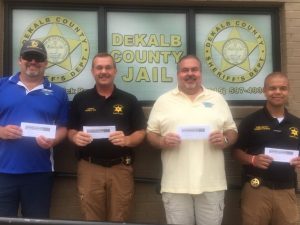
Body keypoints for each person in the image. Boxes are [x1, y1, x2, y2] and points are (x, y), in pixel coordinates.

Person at [147, 54, 238, 225]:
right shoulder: (163, 101)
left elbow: (232, 130)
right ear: (178, 74)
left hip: (212, 183)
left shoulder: (217, 99)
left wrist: (225, 140)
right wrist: (162, 142)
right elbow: (151, 133)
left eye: (194, 70)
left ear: (200, 73)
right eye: (185, 70)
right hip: (176, 185)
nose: (190, 73)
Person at [68, 52, 146, 222]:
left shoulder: (129, 100)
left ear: (115, 71)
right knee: (91, 217)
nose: (103, 71)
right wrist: (75, 137)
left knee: (120, 217)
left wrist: (127, 140)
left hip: (120, 168)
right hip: (89, 167)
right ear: (92, 72)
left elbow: (141, 132)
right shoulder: (80, 99)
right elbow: (70, 129)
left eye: (108, 67)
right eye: (99, 68)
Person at [0, 39, 69, 218]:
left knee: (37, 221)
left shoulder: (58, 93)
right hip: (3, 172)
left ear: (45, 63)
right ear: (20, 60)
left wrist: (54, 139)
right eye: (28, 57)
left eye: (38, 58)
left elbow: (63, 127)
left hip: (39, 172)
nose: (33, 62)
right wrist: (1, 131)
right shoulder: (1, 86)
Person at [233, 72, 300, 225]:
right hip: (256, 189)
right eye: (272, 88)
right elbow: (235, 152)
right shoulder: (251, 121)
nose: (277, 92)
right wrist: (252, 159)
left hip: (286, 190)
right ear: (264, 91)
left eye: (282, 88)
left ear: (288, 91)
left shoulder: (297, 123)